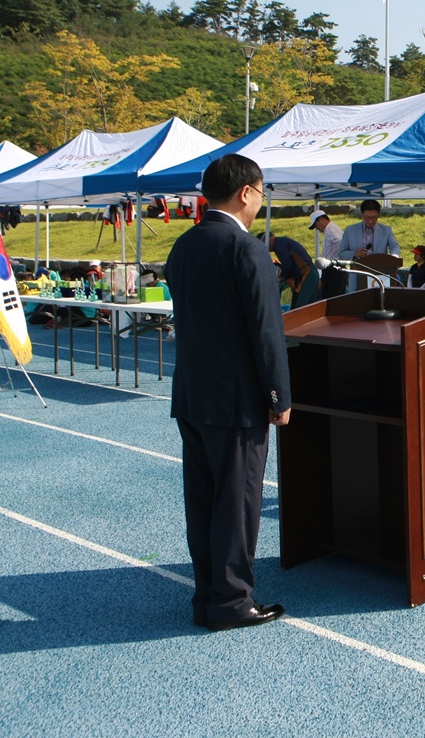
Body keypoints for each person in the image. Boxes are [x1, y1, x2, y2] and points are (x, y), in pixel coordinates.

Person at [166, 154, 291, 631]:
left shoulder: (184, 245)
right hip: (237, 401)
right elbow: (266, 330)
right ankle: (233, 601)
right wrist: (280, 396)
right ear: (245, 193)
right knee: (237, 504)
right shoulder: (247, 249)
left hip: (193, 394)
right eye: (262, 194)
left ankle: (208, 594)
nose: (261, 203)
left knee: (203, 501)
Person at [337, 199, 401, 291]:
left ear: (378, 215)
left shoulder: (386, 230)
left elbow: (395, 246)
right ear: (362, 215)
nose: (370, 221)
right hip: (357, 275)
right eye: (367, 218)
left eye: (374, 218)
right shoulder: (349, 230)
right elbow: (341, 253)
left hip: (381, 274)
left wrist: (394, 257)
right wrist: (354, 253)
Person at [272, 236, 319, 309]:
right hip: (310, 274)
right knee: (306, 306)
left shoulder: (279, 244)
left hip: (307, 275)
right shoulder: (283, 242)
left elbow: (287, 264)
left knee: (299, 307)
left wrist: (283, 276)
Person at [309, 208, 345, 299]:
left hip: (333, 266)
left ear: (322, 220)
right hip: (333, 265)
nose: (317, 228)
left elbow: (339, 240)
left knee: (331, 295)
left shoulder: (330, 228)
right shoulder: (331, 228)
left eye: (316, 225)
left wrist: (334, 255)